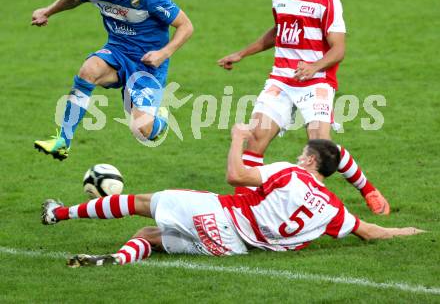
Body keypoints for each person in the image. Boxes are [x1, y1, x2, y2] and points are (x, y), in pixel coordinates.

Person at [41, 124, 423, 267]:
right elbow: (372, 232)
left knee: (141, 202)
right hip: (232, 247)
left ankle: (57, 215)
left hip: (222, 215)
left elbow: (235, 175)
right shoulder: (334, 211)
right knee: (147, 238)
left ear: (309, 159)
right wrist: (410, 232)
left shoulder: (289, 173)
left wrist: (238, 139)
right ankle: (116, 261)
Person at [217, 0, 389, 214]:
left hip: (316, 82)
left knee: (320, 147)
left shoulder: (327, 0)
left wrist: (314, 66)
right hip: (281, 80)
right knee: (257, 136)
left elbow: (339, 49)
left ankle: (367, 190)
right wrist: (242, 53)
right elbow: (279, 30)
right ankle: (244, 206)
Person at [32, 0, 193, 160]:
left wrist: (163, 53)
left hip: (148, 63)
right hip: (117, 52)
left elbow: (186, 26)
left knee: (141, 130)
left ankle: (160, 119)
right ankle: (63, 141)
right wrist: (47, 11)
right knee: (88, 70)